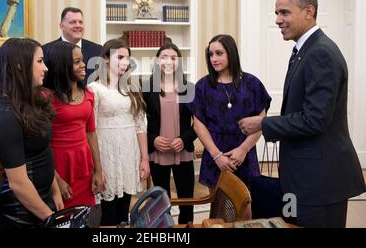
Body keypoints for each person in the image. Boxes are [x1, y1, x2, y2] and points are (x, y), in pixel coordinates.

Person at [239, 0, 366, 228]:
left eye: (284, 13)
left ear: (309, 11)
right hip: (299, 177)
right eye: (276, 13)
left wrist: (262, 123)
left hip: (318, 181)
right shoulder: (302, 50)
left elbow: (315, 120)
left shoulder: (321, 53)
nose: (278, 20)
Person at [0, 38, 63, 228]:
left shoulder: (32, 101)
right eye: (39, 61)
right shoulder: (5, 115)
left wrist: (54, 191)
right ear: (20, 66)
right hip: (21, 213)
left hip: (43, 198)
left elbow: (43, 152)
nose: (45, 68)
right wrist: (51, 219)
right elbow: (19, 183)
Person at [189, 34, 271, 192]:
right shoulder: (203, 86)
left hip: (245, 154)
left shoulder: (252, 84)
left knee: (247, 207)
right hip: (215, 154)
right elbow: (199, 125)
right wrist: (217, 156)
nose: (214, 58)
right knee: (219, 206)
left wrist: (243, 149)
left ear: (231, 53)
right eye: (211, 54)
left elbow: (260, 122)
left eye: (219, 53)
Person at [89, 38, 150, 226]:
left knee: (125, 210)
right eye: (120, 57)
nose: (125, 63)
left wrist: (144, 159)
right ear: (106, 58)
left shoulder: (131, 88)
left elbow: (140, 125)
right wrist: (96, 167)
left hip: (129, 153)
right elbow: (91, 129)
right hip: (107, 155)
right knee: (109, 211)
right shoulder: (94, 89)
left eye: (127, 58)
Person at [42, 41, 105, 210]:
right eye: (77, 62)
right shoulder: (46, 98)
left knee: (85, 217)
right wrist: (55, 180)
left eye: (82, 60)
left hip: (83, 165)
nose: (84, 65)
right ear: (62, 66)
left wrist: (98, 170)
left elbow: (91, 133)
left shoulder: (89, 94)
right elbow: (41, 144)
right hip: (58, 165)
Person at [142, 42, 197, 224]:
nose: (168, 61)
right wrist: (153, 140)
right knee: (160, 201)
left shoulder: (189, 87)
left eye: (173, 58)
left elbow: (199, 123)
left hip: (183, 153)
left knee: (186, 200)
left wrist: (184, 139)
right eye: (164, 57)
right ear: (157, 61)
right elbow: (141, 123)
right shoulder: (147, 87)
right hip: (158, 153)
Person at [44, 7, 102, 83]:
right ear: (61, 26)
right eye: (73, 22)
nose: (78, 25)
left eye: (80, 22)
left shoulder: (98, 50)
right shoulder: (46, 50)